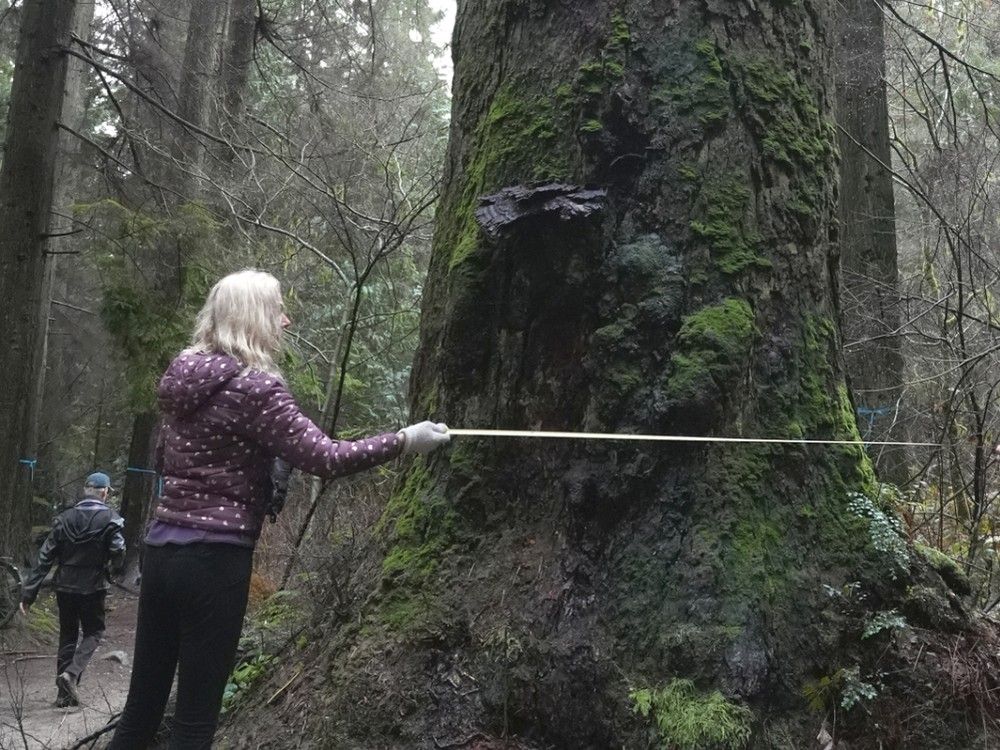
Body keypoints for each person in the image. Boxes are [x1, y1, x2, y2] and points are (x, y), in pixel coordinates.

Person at [108, 269, 450, 749]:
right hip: (214, 560)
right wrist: (404, 440)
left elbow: (164, 458)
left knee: (140, 713)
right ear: (253, 318)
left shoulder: (180, 379)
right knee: (194, 723)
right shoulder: (256, 388)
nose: (286, 321)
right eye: (278, 310)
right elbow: (326, 458)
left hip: (161, 551)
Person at [20, 472, 126, 708]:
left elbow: (45, 557)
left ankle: (63, 696)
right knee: (94, 632)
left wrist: (29, 593)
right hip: (93, 586)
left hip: (64, 586)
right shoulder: (111, 518)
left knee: (67, 635)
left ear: (86, 491)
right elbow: (118, 550)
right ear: (104, 492)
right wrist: (113, 568)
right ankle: (71, 674)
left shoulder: (64, 518)